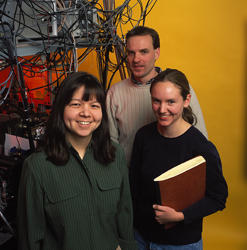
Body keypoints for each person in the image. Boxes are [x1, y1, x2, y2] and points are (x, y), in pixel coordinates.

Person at [17, 72, 138, 250]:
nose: (86, 113)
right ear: (61, 109)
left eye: (94, 105)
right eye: (76, 104)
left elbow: (124, 217)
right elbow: (29, 239)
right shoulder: (37, 166)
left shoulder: (115, 154)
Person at [129, 68, 228, 250]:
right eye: (156, 101)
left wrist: (180, 216)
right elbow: (133, 189)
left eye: (171, 102)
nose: (162, 109)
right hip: (141, 238)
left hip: (181, 244)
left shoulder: (201, 146)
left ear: (186, 101)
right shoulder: (143, 137)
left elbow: (218, 197)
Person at [106, 26, 208, 165]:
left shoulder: (178, 87)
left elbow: (200, 137)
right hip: (132, 177)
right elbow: (111, 146)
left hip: (177, 176)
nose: (136, 59)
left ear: (156, 53)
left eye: (143, 52)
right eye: (131, 53)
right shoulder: (115, 93)